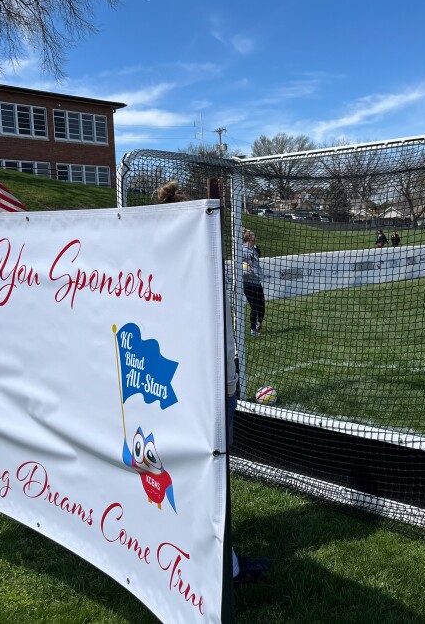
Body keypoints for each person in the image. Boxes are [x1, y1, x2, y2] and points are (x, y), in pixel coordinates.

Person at [157, 180, 270, 584]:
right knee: (209, 479)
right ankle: (225, 567)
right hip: (206, 393)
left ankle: (207, 554)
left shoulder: (181, 265)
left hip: (207, 387)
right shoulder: (189, 271)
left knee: (200, 478)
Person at [242, 229, 266, 335]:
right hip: (248, 283)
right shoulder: (242, 250)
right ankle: (253, 329)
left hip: (257, 282)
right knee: (255, 306)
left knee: (261, 306)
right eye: (253, 235)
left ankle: (259, 325)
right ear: (250, 238)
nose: (255, 237)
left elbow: (258, 255)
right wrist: (246, 271)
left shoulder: (254, 249)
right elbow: (239, 263)